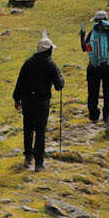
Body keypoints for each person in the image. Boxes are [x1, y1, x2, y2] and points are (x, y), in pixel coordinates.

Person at [13, 33, 64, 171]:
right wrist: (62, 80)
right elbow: (59, 85)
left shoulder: (28, 63)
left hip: (27, 100)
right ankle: (39, 164)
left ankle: (28, 157)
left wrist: (16, 99)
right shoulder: (51, 64)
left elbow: (20, 82)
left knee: (28, 129)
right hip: (42, 102)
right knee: (40, 131)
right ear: (49, 50)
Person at [80, 10, 109, 136]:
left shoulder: (93, 33)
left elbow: (85, 48)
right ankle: (107, 115)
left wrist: (82, 36)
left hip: (94, 68)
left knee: (93, 91)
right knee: (108, 91)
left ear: (96, 21)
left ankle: (94, 115)